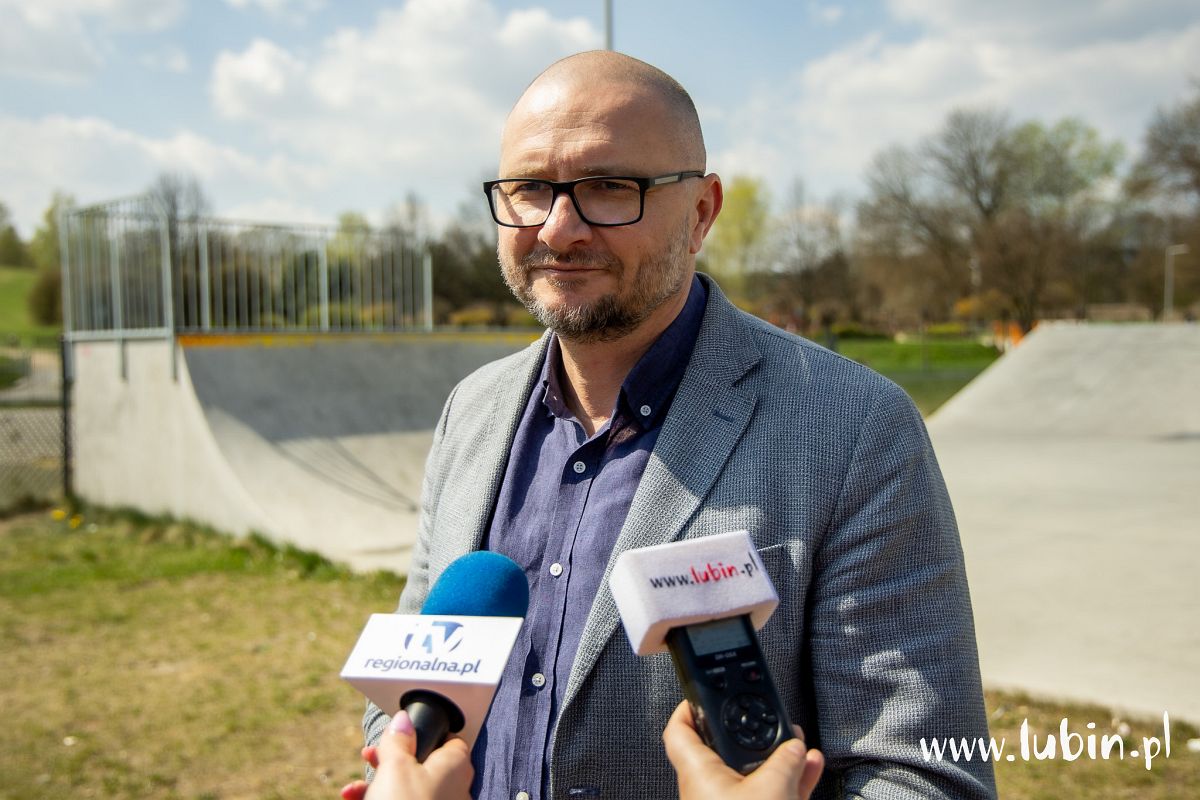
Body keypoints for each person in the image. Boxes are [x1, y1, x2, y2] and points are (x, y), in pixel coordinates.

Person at [364, 50, 996, 799]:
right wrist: (397, 759)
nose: (559, 229)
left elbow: (924, 776)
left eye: (609, 187)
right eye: (530, 188)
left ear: (701, 212)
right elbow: (409, 688)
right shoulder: (470, 410)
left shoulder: (856, 428)